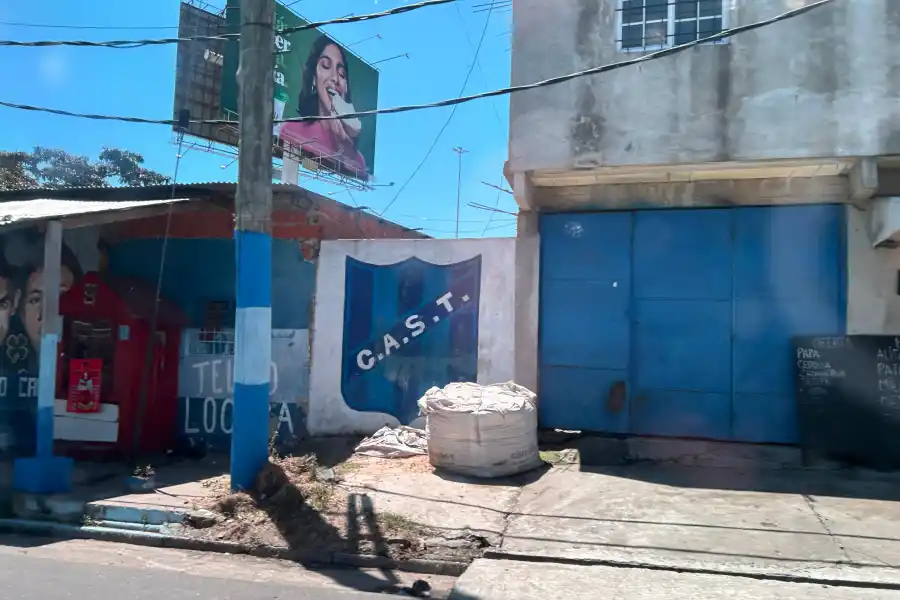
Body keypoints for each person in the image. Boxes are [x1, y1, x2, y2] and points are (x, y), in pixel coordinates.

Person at [279, 35, 368, 176]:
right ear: (314, 78)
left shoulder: (358, 160)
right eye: (326, 65)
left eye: (342, 73)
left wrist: (345, 143)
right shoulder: (291, 130)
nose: (335, 78)